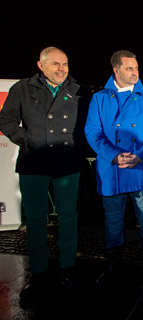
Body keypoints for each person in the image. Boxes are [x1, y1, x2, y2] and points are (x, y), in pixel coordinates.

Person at [0, 47, 88, 304]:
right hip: (34, 162)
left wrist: (77, 147)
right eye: (56, 64)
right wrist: (27, 140)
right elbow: (5, 120)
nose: (62, 69)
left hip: (67, 163)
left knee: (68, 218)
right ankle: (38, 274)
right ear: (41, 65)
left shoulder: (78, 91)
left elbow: (87, 126)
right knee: (36, 220)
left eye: (65, 64)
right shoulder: (22, 89)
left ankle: (68, 270)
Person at [85, 50, 143, 290]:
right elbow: (92, 132)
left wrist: (139, 156)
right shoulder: (99, 98)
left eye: (137, 68)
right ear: (116, 70)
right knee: (112, 220)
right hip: (112, 170)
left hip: (140, 169)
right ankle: (114, 263)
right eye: (129, 68)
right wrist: (115, 155)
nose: (135, 73)